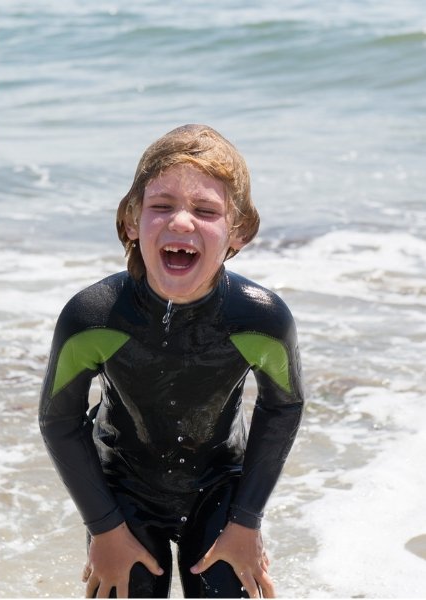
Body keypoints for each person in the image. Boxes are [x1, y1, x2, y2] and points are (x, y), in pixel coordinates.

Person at [38, 124, 303, 598]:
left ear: (239, 232)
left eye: (206, 210)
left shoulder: (260, 319)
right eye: (161, 206)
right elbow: (59, 421)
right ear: (130, 221)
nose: (181, 223)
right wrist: (104, 528)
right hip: (122, 489)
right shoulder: (93, 317)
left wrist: (246, 522)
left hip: (220, 485)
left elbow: (282, 407)